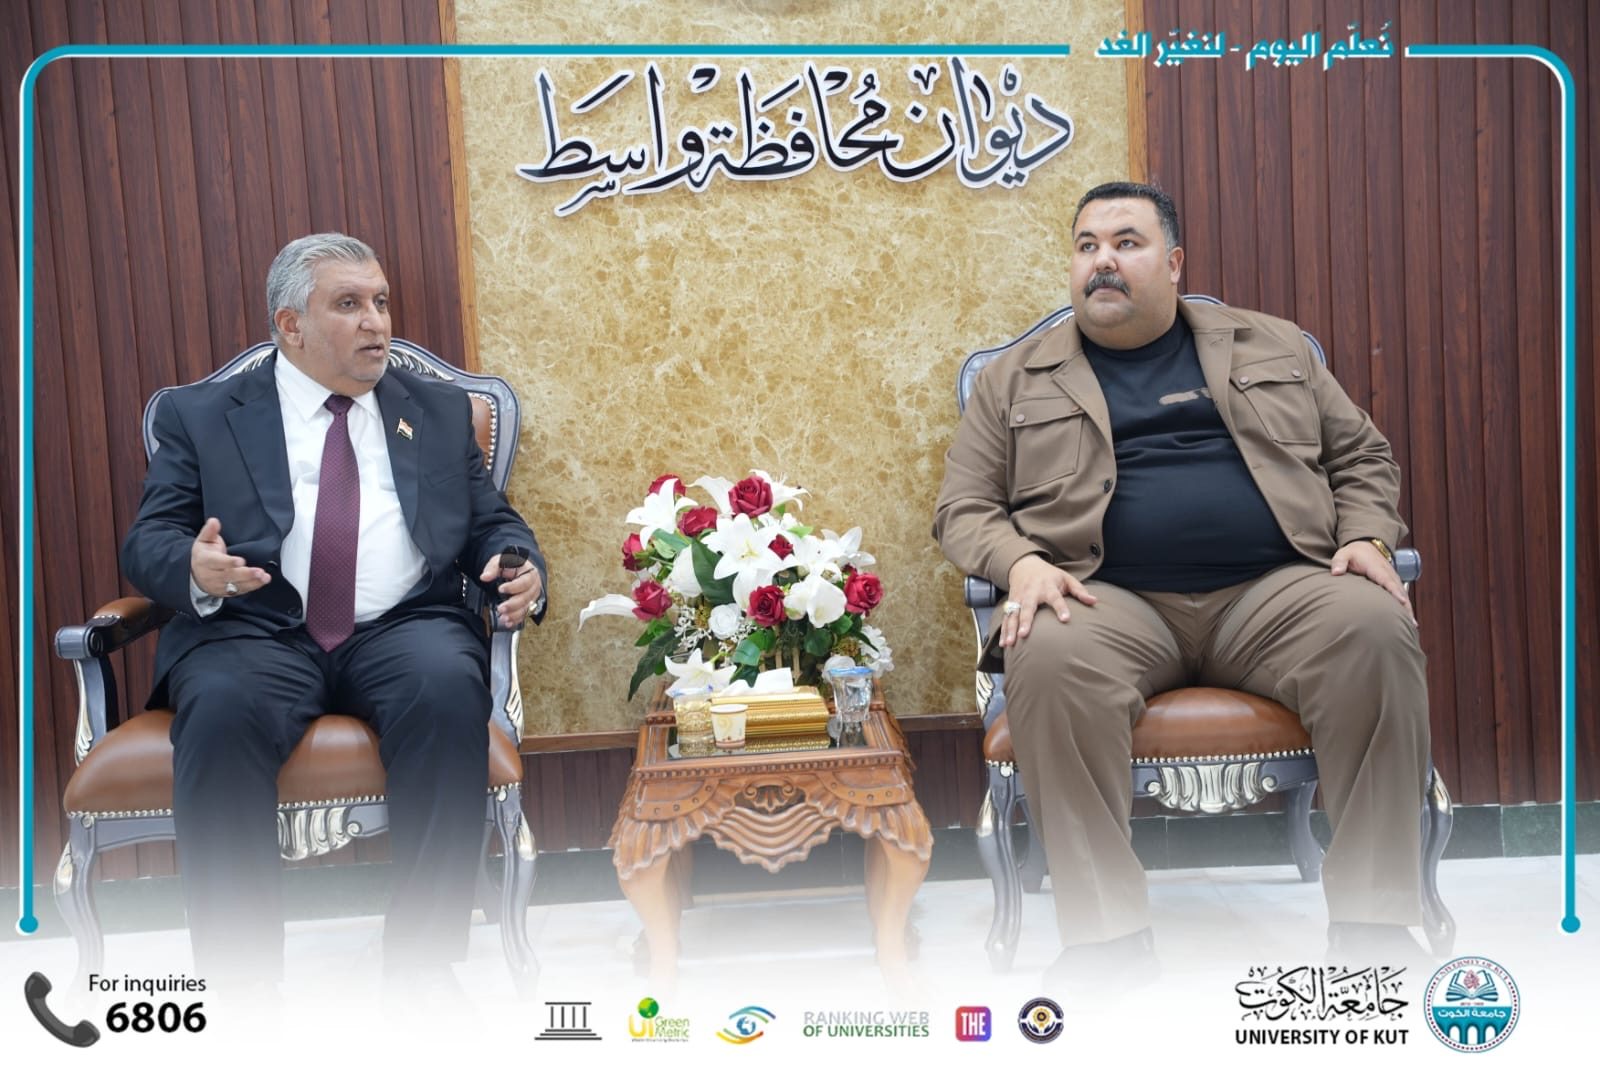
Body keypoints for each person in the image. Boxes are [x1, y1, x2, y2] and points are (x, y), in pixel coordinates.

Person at [933, 182, 1429, 987]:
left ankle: (1374, 925)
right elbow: (963, 508)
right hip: (1105, 598)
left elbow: (1361, 457)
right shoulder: (1016, 379)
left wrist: (1368, 537)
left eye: (1125, 243)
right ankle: (1108, 941)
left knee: (1373, 627)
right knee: (1046, 652)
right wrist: (1021, 564)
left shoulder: (1272, 346)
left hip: (1274, 592)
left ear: (1172, 262)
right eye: (1087, 246)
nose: (1102, 261)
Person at [120, 233, 546, 998]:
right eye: (348, 304)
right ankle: (242, 987)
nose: (376, 321)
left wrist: (517, 564)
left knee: (447, 689)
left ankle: (420, 971)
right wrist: (192, 565)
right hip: (254, 630)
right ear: (291, 325)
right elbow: (149, 539)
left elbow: (491, 522)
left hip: (402, 627)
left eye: (380, 301)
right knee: (220, 710)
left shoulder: (436, 411)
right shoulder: (202, 416)